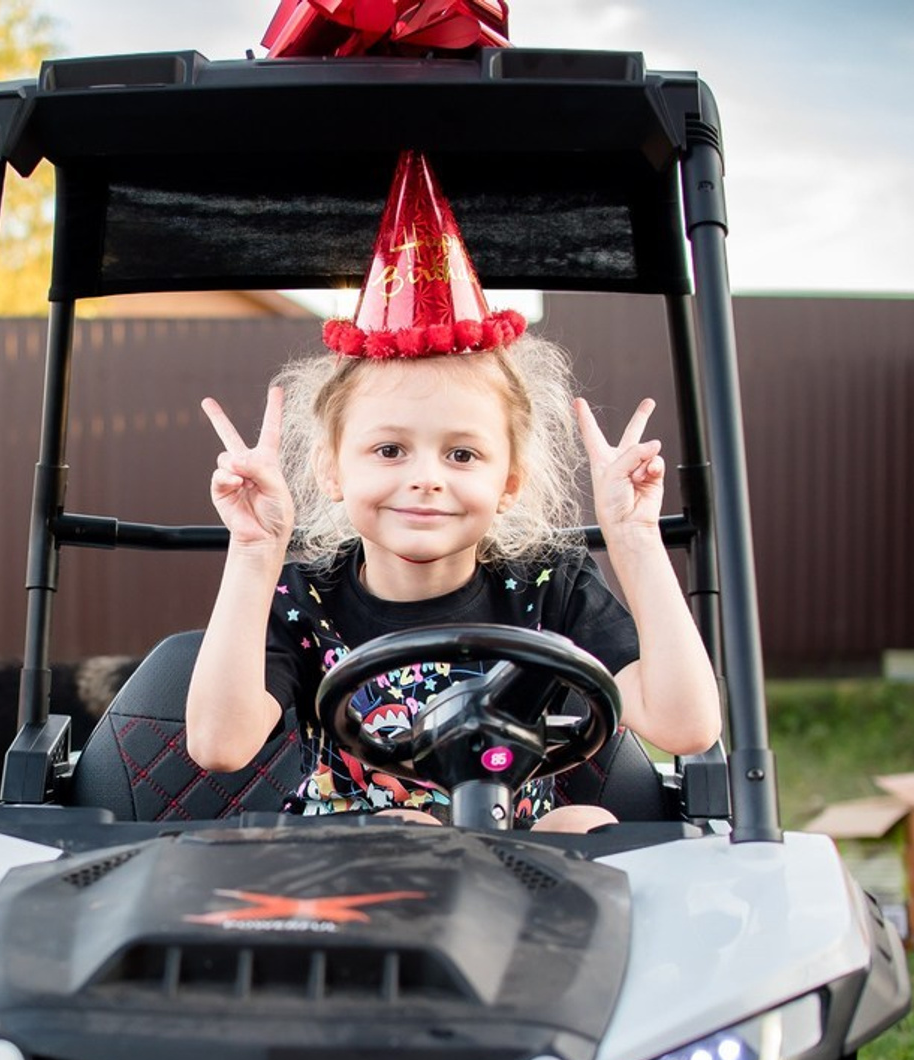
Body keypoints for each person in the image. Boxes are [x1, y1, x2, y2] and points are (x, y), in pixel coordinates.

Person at [184, 152, 721, 830]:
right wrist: (255, 552)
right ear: (331, 469)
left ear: (509, 482)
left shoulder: (545, 584)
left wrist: (637, 541)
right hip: (357, 879)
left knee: (585, 824)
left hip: (515, 865)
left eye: (462, 453)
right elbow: (218, 746)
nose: (427, 476)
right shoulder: (304, 597)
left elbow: (688, 727)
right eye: (389, 449)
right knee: (405, 831)